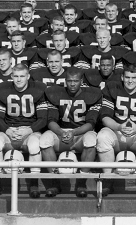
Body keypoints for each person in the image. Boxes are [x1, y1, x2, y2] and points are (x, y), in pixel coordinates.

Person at [96, 65, 136, 197]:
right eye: (127, 77)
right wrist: (118, 127)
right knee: (102, 136)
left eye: (133, 78)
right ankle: (108, 180)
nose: (130, 81)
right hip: (118, 133)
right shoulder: (112, 88)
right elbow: (105, 117)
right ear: (122, 77)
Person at [0, 64, 48, 198]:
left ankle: (34, 183)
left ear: (28, 77)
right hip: (9, 130)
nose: (19, 79)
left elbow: (43, 119)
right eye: (16, 76)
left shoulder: (38, 90)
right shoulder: (2, 90)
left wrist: (29, 130)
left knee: (34, 145)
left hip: (30, 131)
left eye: (22, 76)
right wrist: (7, 130)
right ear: (11, 76)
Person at [40, 67, 102, 197]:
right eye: (69, 81)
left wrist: (74, 132)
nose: (72, 84)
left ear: (81, 81)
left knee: (91, 140)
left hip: (81, 133)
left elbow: (91, 123)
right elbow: (51, 121)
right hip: (61, 132)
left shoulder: (92, 94)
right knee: (45, 139)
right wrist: (61, 132)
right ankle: (54, 182)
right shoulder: (56, 94)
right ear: (65, 81)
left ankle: (81, 182)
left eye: (75, 81)